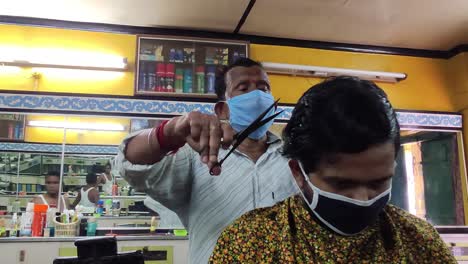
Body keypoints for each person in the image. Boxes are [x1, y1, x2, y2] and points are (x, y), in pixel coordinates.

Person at [210, 76, 456, 263]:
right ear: (298, 172)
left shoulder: (420, 243)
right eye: (342, 185)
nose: (363, 200)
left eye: (378, 182)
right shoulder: (250, 242)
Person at [115, 58, 297, 263]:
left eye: (264, 89)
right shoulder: (196, 156)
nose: (257, 96)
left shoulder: (295, 159)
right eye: (243, 88)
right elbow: (131, 165)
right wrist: (169, 132)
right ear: (223, 110)